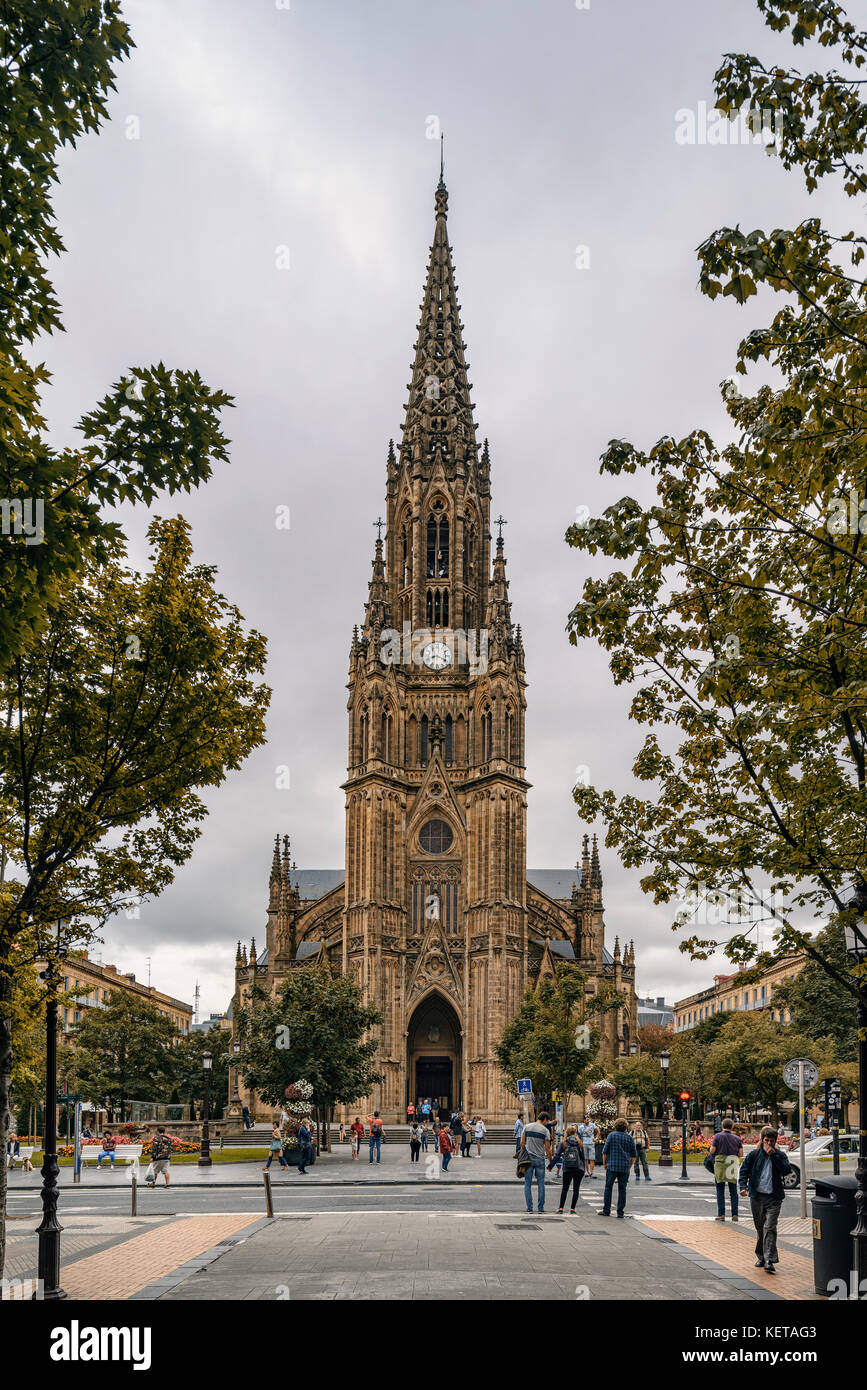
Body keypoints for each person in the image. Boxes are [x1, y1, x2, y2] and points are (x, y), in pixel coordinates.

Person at [739, 1125, 792, 1275]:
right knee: (760, 1228)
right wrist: (743, 1186)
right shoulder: (755, 1155)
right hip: (757, 1196)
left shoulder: (780, 1156)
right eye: (766, 1140)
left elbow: (786, 1170)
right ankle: (761, 1256)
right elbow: (744, 1171)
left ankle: (770, 1260)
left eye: (771, 1141)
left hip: (774, 1197)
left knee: (770, 1227)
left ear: (776, 1141)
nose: (768, 1144)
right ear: (762, 1140)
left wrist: (774, 1155)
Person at [601, 1119, 636, 1218]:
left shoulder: (611, 1136)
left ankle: (606, 1210)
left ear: (615, 1126)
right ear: (626, 1127)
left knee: (608, 1187)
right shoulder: (629, 1138)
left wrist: (605, 1163)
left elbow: (605, 1152)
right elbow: (634, 1155)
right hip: (624, 1167)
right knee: (622, 1189)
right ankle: (620, 1212)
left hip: (612, 1166)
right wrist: (629, 1166)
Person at [710, 1118, 743, 1222]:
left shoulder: (718, 1136)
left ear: (722, 1126)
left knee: (720, 1190)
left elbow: (712, 1150)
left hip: (720, 1164)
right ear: (732, 1126)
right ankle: (735, 1214)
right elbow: (741, 1154)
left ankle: (721, 1214)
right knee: (733, 1190)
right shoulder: (737, 1138)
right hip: (732, 1163)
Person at [520, 1111, 552, 1214]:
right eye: (547, 1121)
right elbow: (547, 1149)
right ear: (545, 1119)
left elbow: (522, 1143)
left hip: (528, 1159)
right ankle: (540, 1208)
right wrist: (551, 1161)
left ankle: (530, 1208)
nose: (547, 1123)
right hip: (540, 1159)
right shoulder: (545, 1131)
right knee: (541, 1184)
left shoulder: (527, 1127)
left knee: (527, 1183)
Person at [550, 1124, 585, 1213]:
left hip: (567, 1168)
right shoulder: (580, 1142)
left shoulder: (563, 1143)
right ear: (575, 1133)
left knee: (565, 1188)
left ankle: (561, 1208)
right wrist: (583, 1168)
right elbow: (582, 1157)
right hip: (579, 1168)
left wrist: (550, 1166)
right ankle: (572, 1209)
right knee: (576, 1189)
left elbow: (557, 1156)